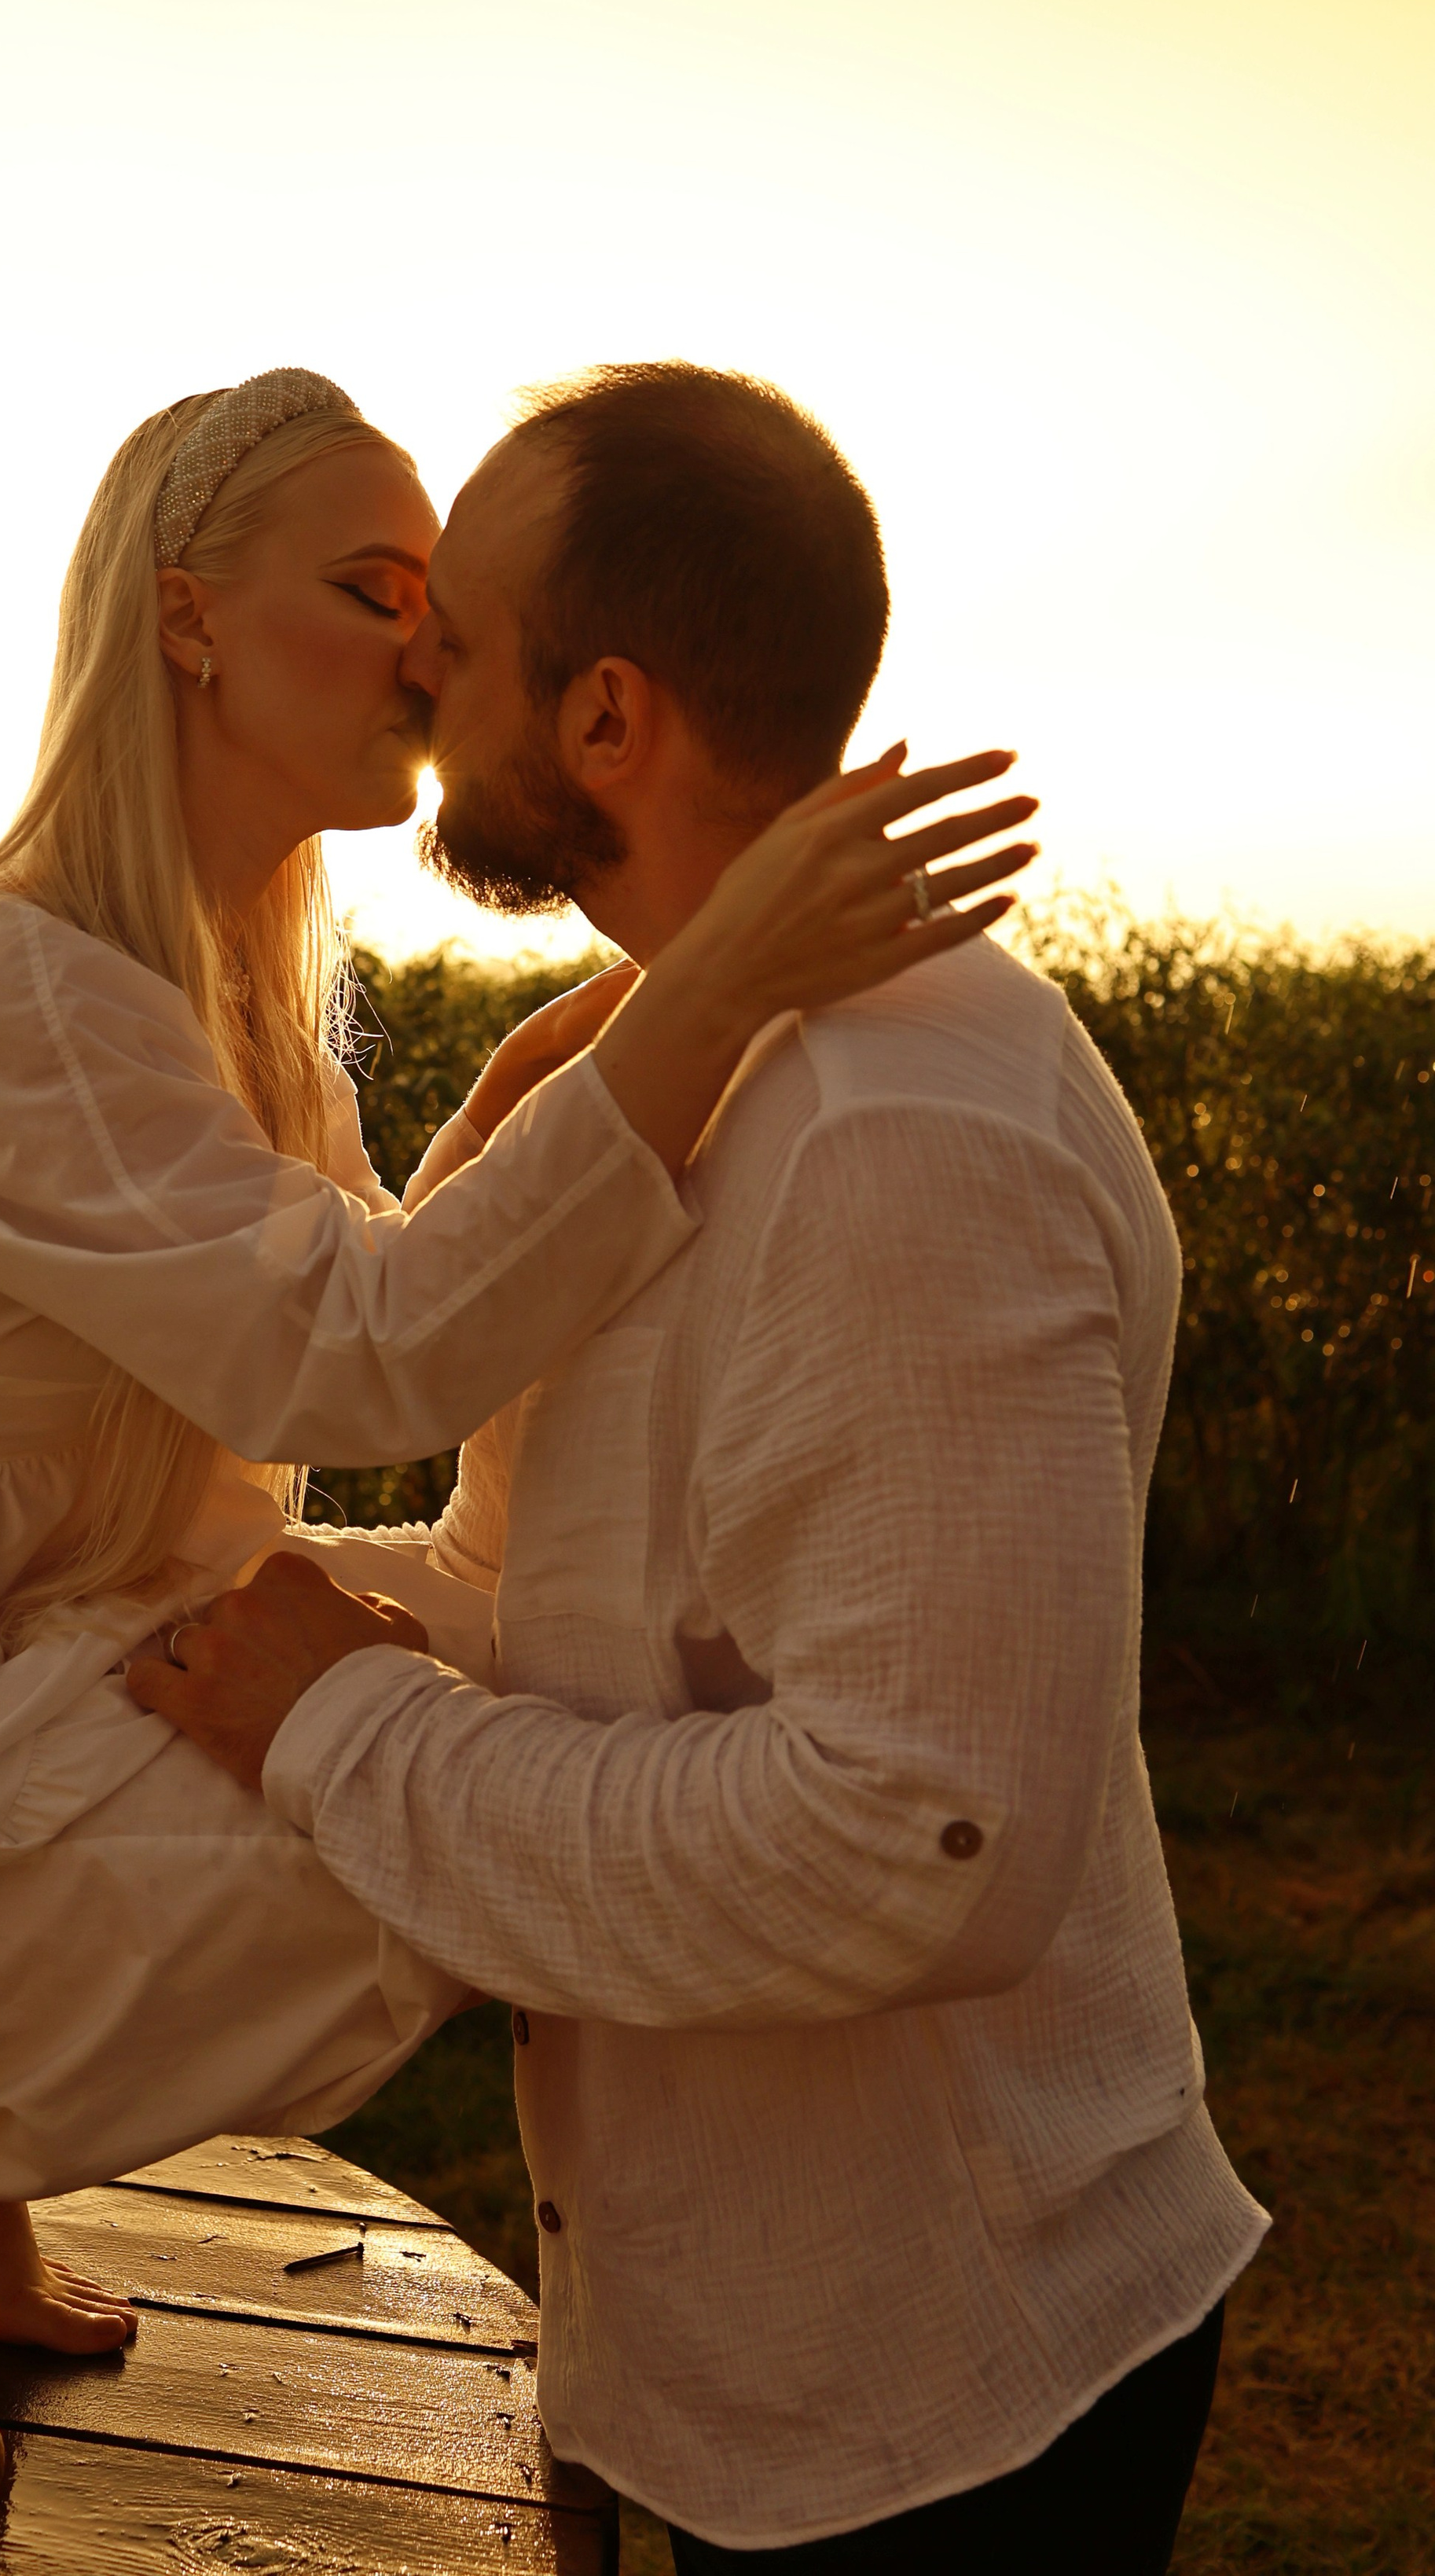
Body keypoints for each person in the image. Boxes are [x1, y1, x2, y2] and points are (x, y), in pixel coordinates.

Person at [0, 366, 1032, 2425]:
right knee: (384, 1827)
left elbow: (341, 1286)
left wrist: (550, 1095)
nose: (427, 654)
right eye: (377, 591)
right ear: (190, 617)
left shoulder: (219, 992)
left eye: (441, 610)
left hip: (8, 1621)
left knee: (421, 1695)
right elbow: (358, 1351)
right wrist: (715, 985)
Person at [132, 364, 1269, 2576]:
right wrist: (165, 1603)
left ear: (609, 720)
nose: (411, 674)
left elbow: (916, 1839)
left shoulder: (894, 1140)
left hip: (942, 2389)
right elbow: (567, 1597)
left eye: (458, 636)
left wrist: (342, 1728)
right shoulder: (687, 1070)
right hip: (775, 2355)